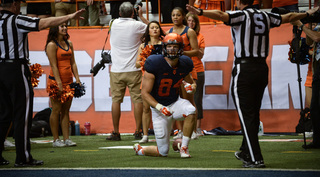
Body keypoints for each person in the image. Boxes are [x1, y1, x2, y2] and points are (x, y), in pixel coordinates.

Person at [186, 0, 319, 168]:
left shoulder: (241, 15)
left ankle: (256, 158)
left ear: (239, 2)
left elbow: (220, 15)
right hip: (262, 68)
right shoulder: (265, 15)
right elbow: (290, 16)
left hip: (244, 68)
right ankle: (245, 151)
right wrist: (308, 13)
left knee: (246, 114)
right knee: (253, 114)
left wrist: (200, 12)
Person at [0, 0, 85, 167]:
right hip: (15, 68)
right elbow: (44, 22)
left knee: (3, 115)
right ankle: (23, 157)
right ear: (15, 5)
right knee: (22, 115)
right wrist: (70, 16)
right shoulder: (16, 20)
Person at [133, 33, 197, 158]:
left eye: (175, 46)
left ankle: (184, 148)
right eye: (169, 46)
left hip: (174, 103)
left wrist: (192, 88)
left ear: (180, 48)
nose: (172, 49)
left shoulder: (185, 63)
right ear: (164, 48)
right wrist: (160, 107)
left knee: (191, 110)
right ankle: (141, 150)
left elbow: (191, 83)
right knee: (163, 152)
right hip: (158, 108)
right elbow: (144, 93)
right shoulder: (154, 63)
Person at [106, 2, 148, 141]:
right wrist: (141, 16)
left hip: (117, 69)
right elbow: (154, 29)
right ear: (133, 13)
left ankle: (116, 132)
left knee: (116, 101)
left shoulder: (113, 23)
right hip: (134, 69)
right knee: (137, 100)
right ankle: (138, 131)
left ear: (119, 13)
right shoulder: (138, 25)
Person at [45, 22, 81, 147]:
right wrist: (59, 82)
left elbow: (73, 63)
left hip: (69, 82)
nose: (65, 28)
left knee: (66, 110)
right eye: (62, 26)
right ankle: (56, 140)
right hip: (56, 82)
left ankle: (67, 138)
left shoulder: (69, 43)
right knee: (56, 110)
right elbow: (53, 65)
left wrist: (77, 78)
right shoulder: (51, 45)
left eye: (66, 26)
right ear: (55, 28)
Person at [167, 7, 199, 140]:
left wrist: (181, 53)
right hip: (174, 70)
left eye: (178, 15)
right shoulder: (169, 31)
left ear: (183, 16)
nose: (175, 17)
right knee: (176, 100)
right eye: (173, 15)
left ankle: (193, 130)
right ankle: (181, 131)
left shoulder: (189, 31)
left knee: (189, 100)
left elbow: (196, 51)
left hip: (186, 69)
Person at [291, 21, 320, 149]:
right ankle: (317, 141)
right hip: (317, 65)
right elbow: (309, 42)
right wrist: (307, 27)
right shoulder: (317, 25)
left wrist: (302, 26)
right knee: (314, 107)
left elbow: (317, 37)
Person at [135, 21, 165, 143]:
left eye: (157, 27)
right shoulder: (143, 46)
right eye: (152, 28)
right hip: (147, 79)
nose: (155, 30)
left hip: (162, 79)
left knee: (163, 107)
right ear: (148, 31)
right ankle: (145, 135)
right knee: (146, 108)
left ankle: (164, 134)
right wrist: (145, 61)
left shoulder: (164, 44)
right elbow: (137, 64)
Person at [186, 12, 205, 137]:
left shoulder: (200, 36)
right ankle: (185, 129)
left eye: (193, 21)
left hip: (197, 70)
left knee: (197, 99)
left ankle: (197, 129)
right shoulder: (181, 35)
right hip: (185, 70)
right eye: (189, 20)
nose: (191, 23)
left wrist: (192, 48)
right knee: (183, 99)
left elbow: (201, 54)